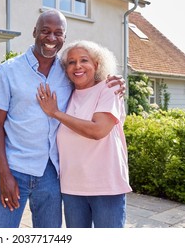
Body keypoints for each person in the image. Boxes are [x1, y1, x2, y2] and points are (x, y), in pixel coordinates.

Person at [0, 10, 124, 228]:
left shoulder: (67, 70)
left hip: (51, 174)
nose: (51, 38)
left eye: (58, 33)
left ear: (64, 38)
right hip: (14, 168)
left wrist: (113, 78)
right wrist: (4, 174)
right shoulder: (8, 71)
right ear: (34, 32)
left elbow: (90, 79)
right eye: (45, 31)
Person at [37, 40, 132, 228]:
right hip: (72, 188)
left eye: (84, 60)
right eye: (71, 62)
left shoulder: (109, 88)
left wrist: (55, 113)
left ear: (96, 65)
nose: (77, 66)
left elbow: (98, 130)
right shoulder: (68, 94)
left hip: (106, 186)